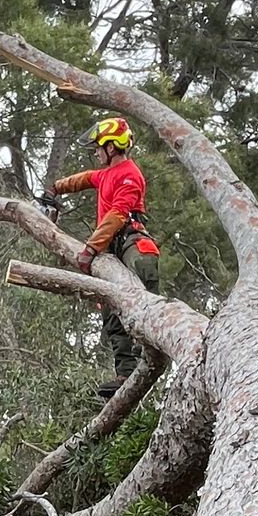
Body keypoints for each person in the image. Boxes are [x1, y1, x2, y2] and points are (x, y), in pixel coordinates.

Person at [46, 115, 160, 396]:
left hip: (130, 240)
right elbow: (84, 178)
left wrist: (91, 248)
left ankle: (150, 355)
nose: (96, 152)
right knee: (110, 309)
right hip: (109, 249)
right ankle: (126, 374)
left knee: (143, 278)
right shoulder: (105, 174)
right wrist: (57, 187)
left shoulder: (130, 174)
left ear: (111, 147)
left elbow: (118, 214)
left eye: (99, 147)